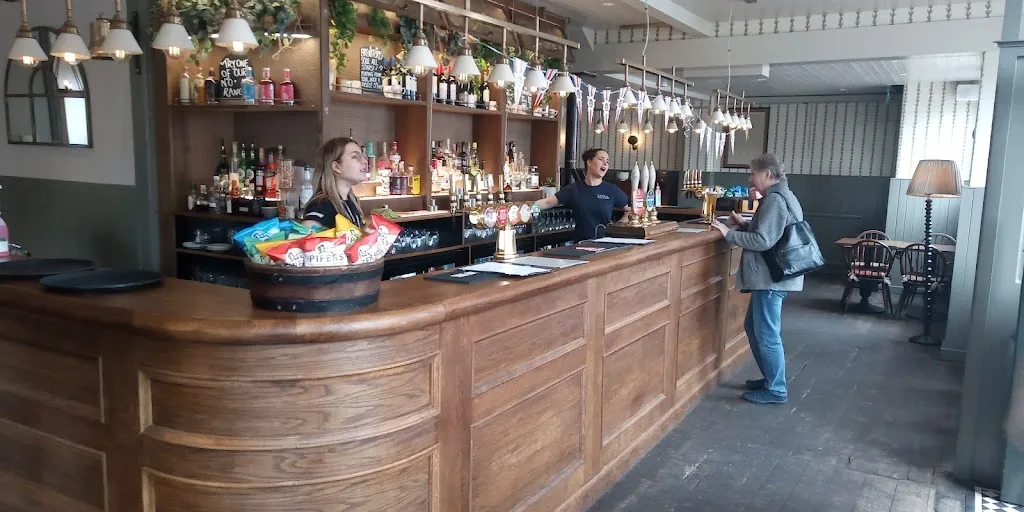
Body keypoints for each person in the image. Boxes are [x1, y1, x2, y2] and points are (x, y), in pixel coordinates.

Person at [710, 153, 805, 405]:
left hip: (771, 278)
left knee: (766, 333)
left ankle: (776, 389)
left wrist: (728, 233)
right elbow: (770, 233)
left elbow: (763, 241)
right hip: (772, 277)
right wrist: (743, 224)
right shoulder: (780, 195)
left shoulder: (774, 200)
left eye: (753, 174)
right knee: (755, 328)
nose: (751, 179)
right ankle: (770, 379)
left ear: (767, 174)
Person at [534, 148, 629, 241]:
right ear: (589, 162)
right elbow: (547, 202)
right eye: (601, 159)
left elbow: (631, 210)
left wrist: (618, 226)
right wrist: (528, 208)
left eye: (607, 161)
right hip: (581, 243)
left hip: (605, 243)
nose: (605, 163)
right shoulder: (574, 189)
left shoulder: (611, 190)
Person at [300, 137, 366, 230]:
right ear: (337, 167)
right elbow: (305, 231)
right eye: (356, 157)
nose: (364, 161)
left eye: (363, 157)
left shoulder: (351, 201)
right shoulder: (322, 205)